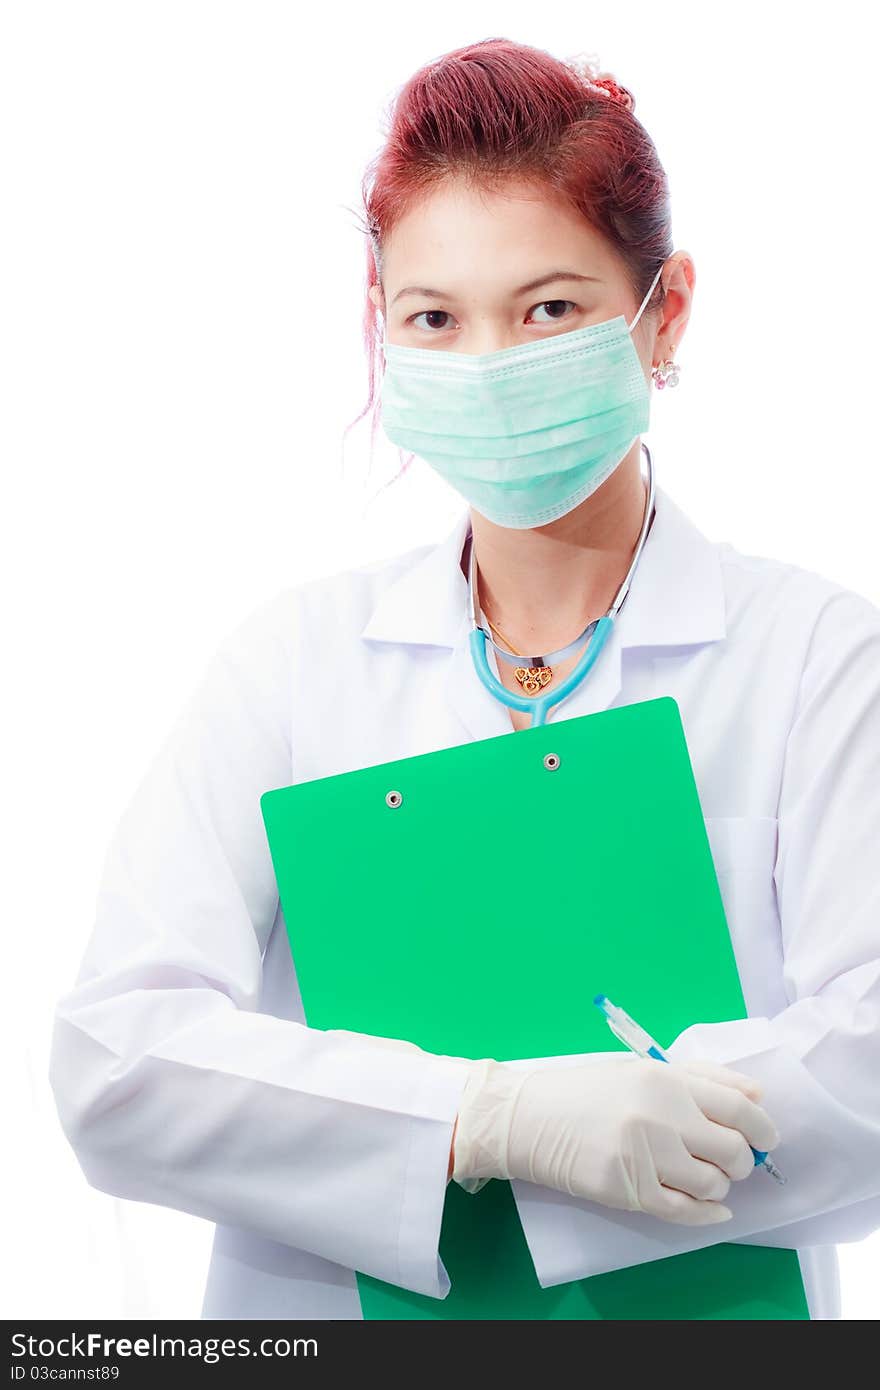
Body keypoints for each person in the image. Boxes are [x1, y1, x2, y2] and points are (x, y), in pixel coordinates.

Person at [49, 38, 880, 1322]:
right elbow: (116, 1065)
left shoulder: (814, 658)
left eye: (548, 308)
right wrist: (483, 1119)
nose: (488, 362)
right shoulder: (292, 666)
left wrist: (616, 1129)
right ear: (382, 330)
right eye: (434, 317)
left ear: (664, 312)